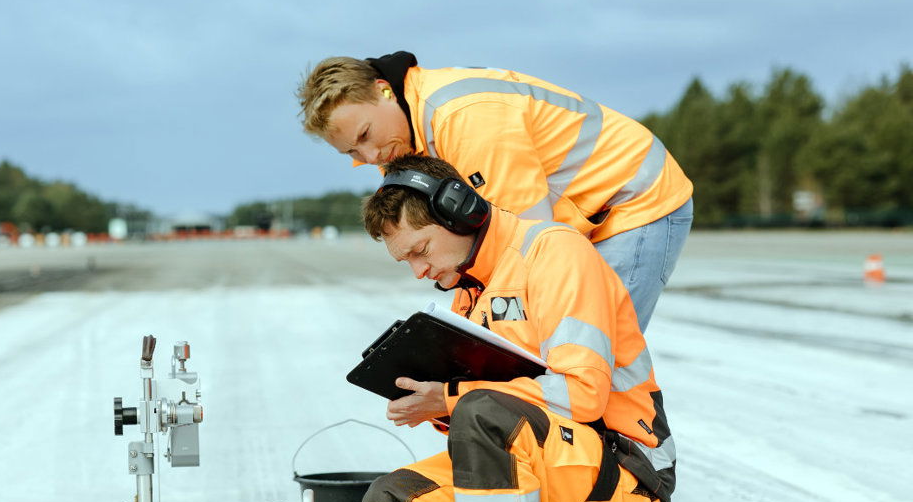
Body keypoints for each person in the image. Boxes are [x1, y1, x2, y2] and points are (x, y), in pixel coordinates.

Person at [354, 154, 676, 502]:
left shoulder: (555, 254)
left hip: (622, 483)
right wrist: (434, 404)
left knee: (481, 411)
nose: (418, 271)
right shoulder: (470, 292)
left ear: (460, 212)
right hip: (559, 474)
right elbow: (499, 419)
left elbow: (580, 394)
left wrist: (453, 397)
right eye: (405, 260)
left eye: (421, 250)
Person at [297, 52, 694, 329]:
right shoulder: (401, 137)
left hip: (631, 199)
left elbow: (532, 240)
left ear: (384, 90)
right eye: (352, 151)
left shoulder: (465, 118)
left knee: (591, 347)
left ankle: (642, 452)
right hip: (579, 215)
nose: (370, 156)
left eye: (366, 135)